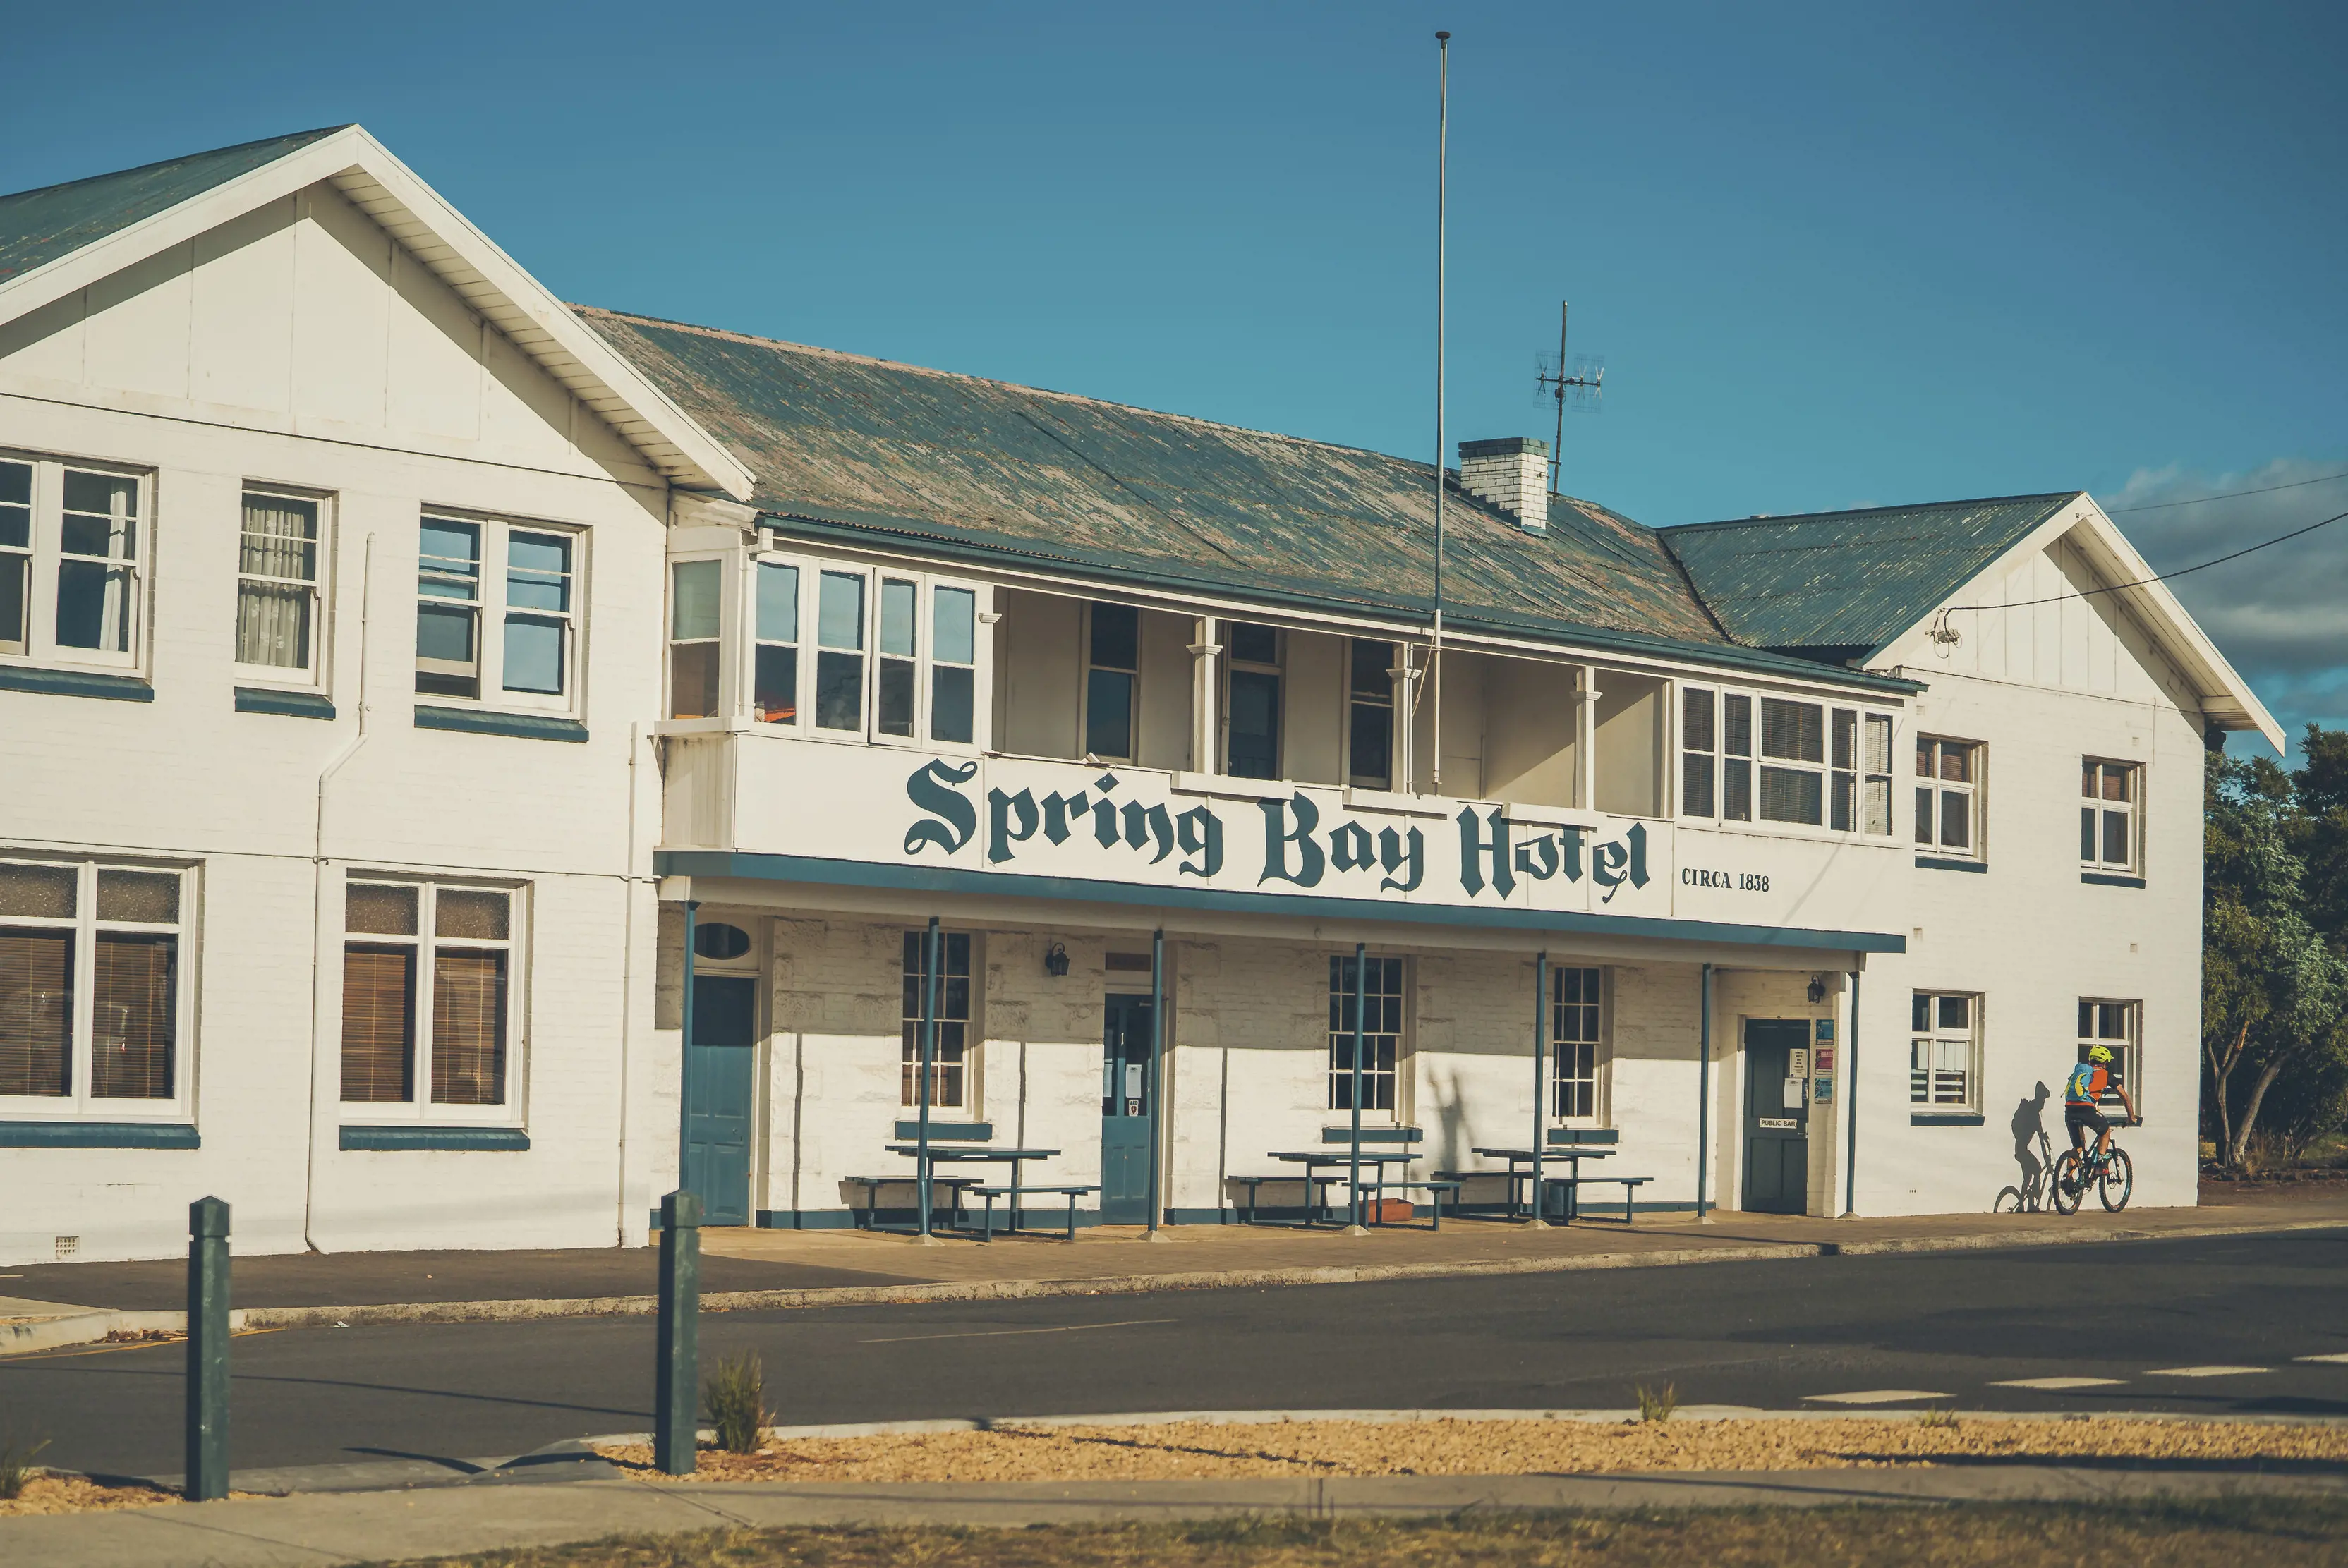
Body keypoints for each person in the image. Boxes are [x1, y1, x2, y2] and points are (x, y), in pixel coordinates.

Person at [2064, 1045, 2136, 1164]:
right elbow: (2124, 1096)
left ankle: (2068, 1180)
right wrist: (2131, 1117)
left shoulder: (2081, 1073)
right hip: (2086, 1110)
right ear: (2105, 1062)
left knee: (2078, 1148)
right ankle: (2100, 1165)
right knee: (2105, 1131)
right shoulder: (2105, 1074)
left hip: (2070, 1110)